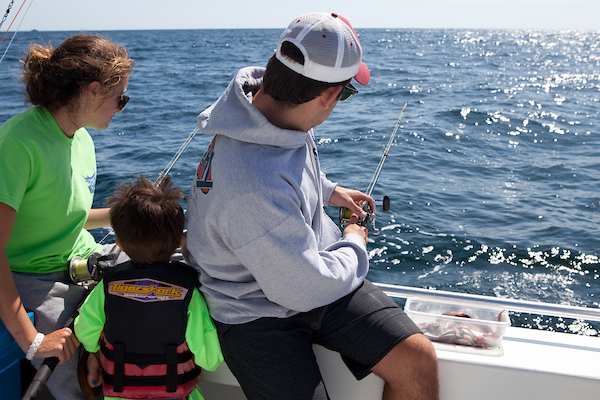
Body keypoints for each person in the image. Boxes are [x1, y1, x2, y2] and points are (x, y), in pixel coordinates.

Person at [183, 12, 439, 400]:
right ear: (329, 94)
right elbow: (302, 287)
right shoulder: (251, 183)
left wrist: (329, 190)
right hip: (253, 309)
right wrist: (355, 240)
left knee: (416, 360)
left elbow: (283, 165)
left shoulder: (266, 111)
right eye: (346, 93)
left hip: (303, 268)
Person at [0, 35, 134, 399]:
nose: (121, 108)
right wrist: (33, 341)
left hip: (82, 260)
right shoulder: (18, 143)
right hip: (34, 279)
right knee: (78, 386)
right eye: (120, 98)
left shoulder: (82, 138)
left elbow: (61, 215)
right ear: (93, 91)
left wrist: (120, 216)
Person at [74, 175, 223, 400]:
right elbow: (210, 359)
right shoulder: (187, 293)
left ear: (119, 244)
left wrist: (96, 352)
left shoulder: (107, 287)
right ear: (179, 242)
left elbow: (85, 332)